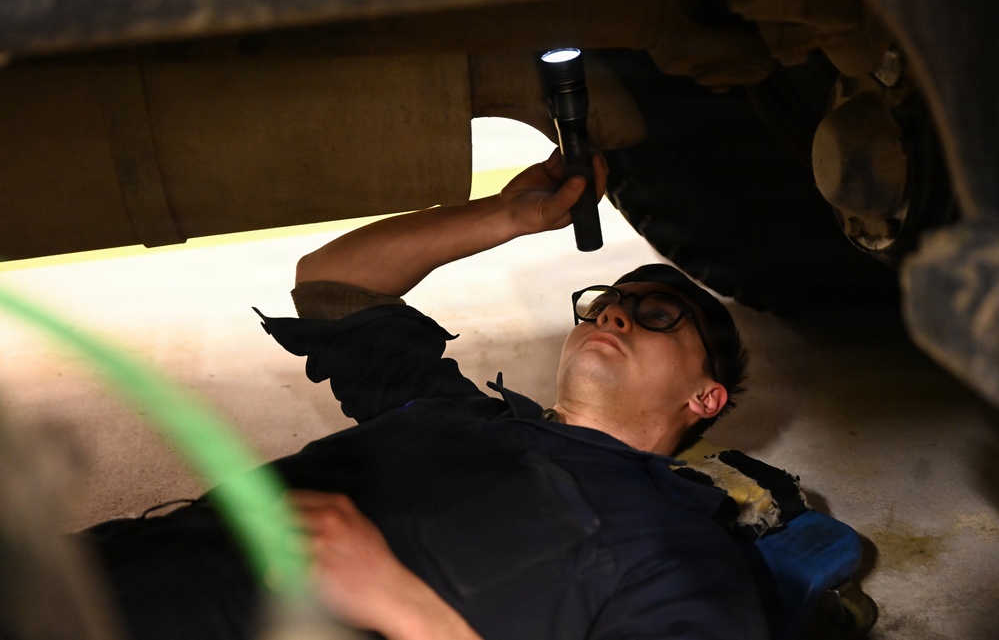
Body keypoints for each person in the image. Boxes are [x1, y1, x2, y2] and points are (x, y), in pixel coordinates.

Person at [83, 149, 767, 640]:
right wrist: (507, 215)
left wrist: (400, 604)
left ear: (703, 398)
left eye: (655, 317)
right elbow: (332, 285)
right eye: (606, 302)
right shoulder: (449, 412)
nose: (614, 313)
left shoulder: (675, 544)